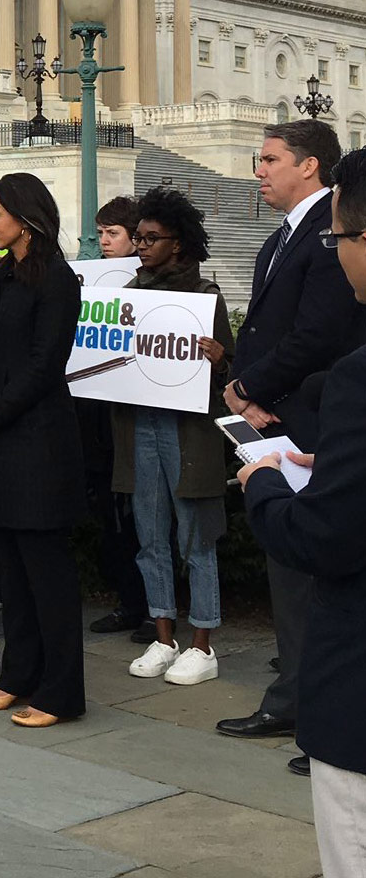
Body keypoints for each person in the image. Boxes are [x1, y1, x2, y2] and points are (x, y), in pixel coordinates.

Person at [217, 120, 366, 748]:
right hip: (277, 416)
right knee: (292, 581)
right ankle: (296, 699)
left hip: (305, 420)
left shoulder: (325, 238)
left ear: (310, 166)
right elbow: (268, 331)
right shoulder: (282, 236)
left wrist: (251, 388)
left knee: (312, 576)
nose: (258, 170)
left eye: (270, 159)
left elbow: (319, 334)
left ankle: (315, 708)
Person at [241, 145, 366, 873]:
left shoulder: (356, 380)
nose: (337, 253)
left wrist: (261, 480)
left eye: (340, 238)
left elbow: (323, 537)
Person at [0, 172, 84, 728]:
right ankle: (18, 676)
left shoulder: (56, 277)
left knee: (46, 576)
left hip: (38, 443)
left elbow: (44, 363)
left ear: (25, 216)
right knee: (10, 571)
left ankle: (60, 693)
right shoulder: (1, 274)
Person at [114, 187, 233, 687]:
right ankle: (164, 636)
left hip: (189, 433)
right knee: (149, 536)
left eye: (150, 238)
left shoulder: (206, 297)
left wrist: (219, 359)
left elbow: (234, 371)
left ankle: (202, 644)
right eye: (138, 237)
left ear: (178, 244)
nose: (141, 245)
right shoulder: (127, 296)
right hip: (139, 425)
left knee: (196, 539)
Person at [83, 195, 153, 642]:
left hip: (132, 415)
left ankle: (151, 607)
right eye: (101, 233)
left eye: (113, 234)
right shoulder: (88, 279)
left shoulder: (149, 285)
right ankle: (128, 601)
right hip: (95, 415)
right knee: (109, 517)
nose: (104, 242)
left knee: (141, 519)